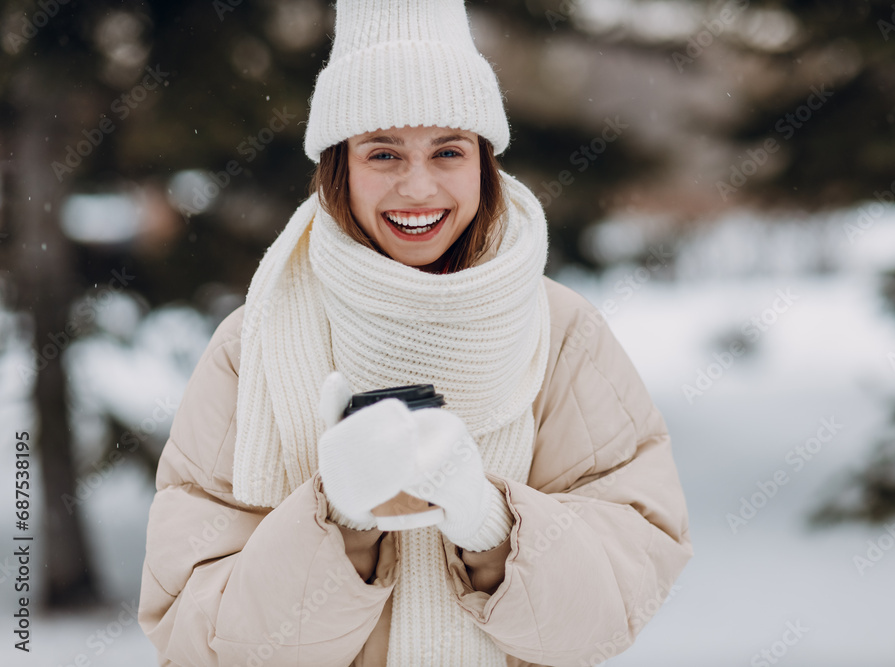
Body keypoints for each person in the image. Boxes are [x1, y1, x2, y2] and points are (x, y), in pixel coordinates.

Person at [137, 1, 692, 665]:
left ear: (483, 163)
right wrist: (338, 519)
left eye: (448, 150)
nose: (418, 187)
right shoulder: (252, 346)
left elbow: (612, 604)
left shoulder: (562, 333)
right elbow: (196, 636)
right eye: (383, 152)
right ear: (340, 166)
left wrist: (489, 522)